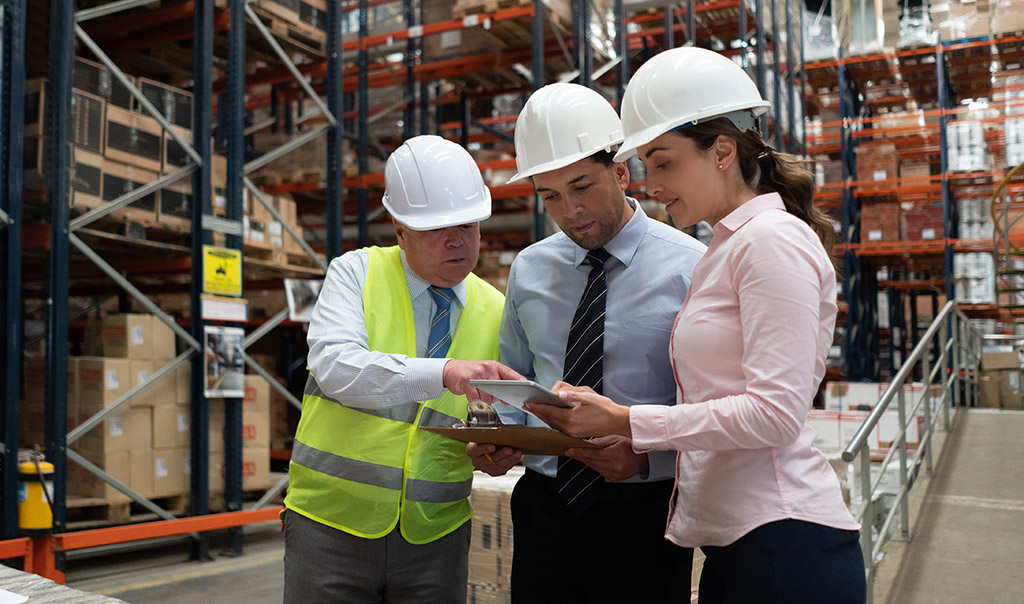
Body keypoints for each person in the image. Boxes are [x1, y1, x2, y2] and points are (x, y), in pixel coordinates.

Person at [527, 47, 866, 604]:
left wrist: (628, 420)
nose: (651, 185)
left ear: (723, 151)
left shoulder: (770, 242)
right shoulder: (728, 247)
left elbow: (776, 414)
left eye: (663, 162)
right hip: (739, 544)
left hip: (783, 541)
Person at [466, 82, 706, 603]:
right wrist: (493, 439)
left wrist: (648, 461)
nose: (570, 210)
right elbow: (510, 383)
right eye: (550, 196)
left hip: (647, 509)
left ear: (621, 173)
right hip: (544, 507)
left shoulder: (692, 267)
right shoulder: (530, 270)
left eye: (582, 187)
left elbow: (714, 408)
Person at [283, 135, 522, 604]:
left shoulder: (497, 307)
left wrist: (496, 445)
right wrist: (444, 371)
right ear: (399, 228)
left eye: (468, 226)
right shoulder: (356, 273)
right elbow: (334, 365)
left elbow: (490, 412)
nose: (456, 242)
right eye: (436, 229)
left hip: (436, 535)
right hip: (331, 524)